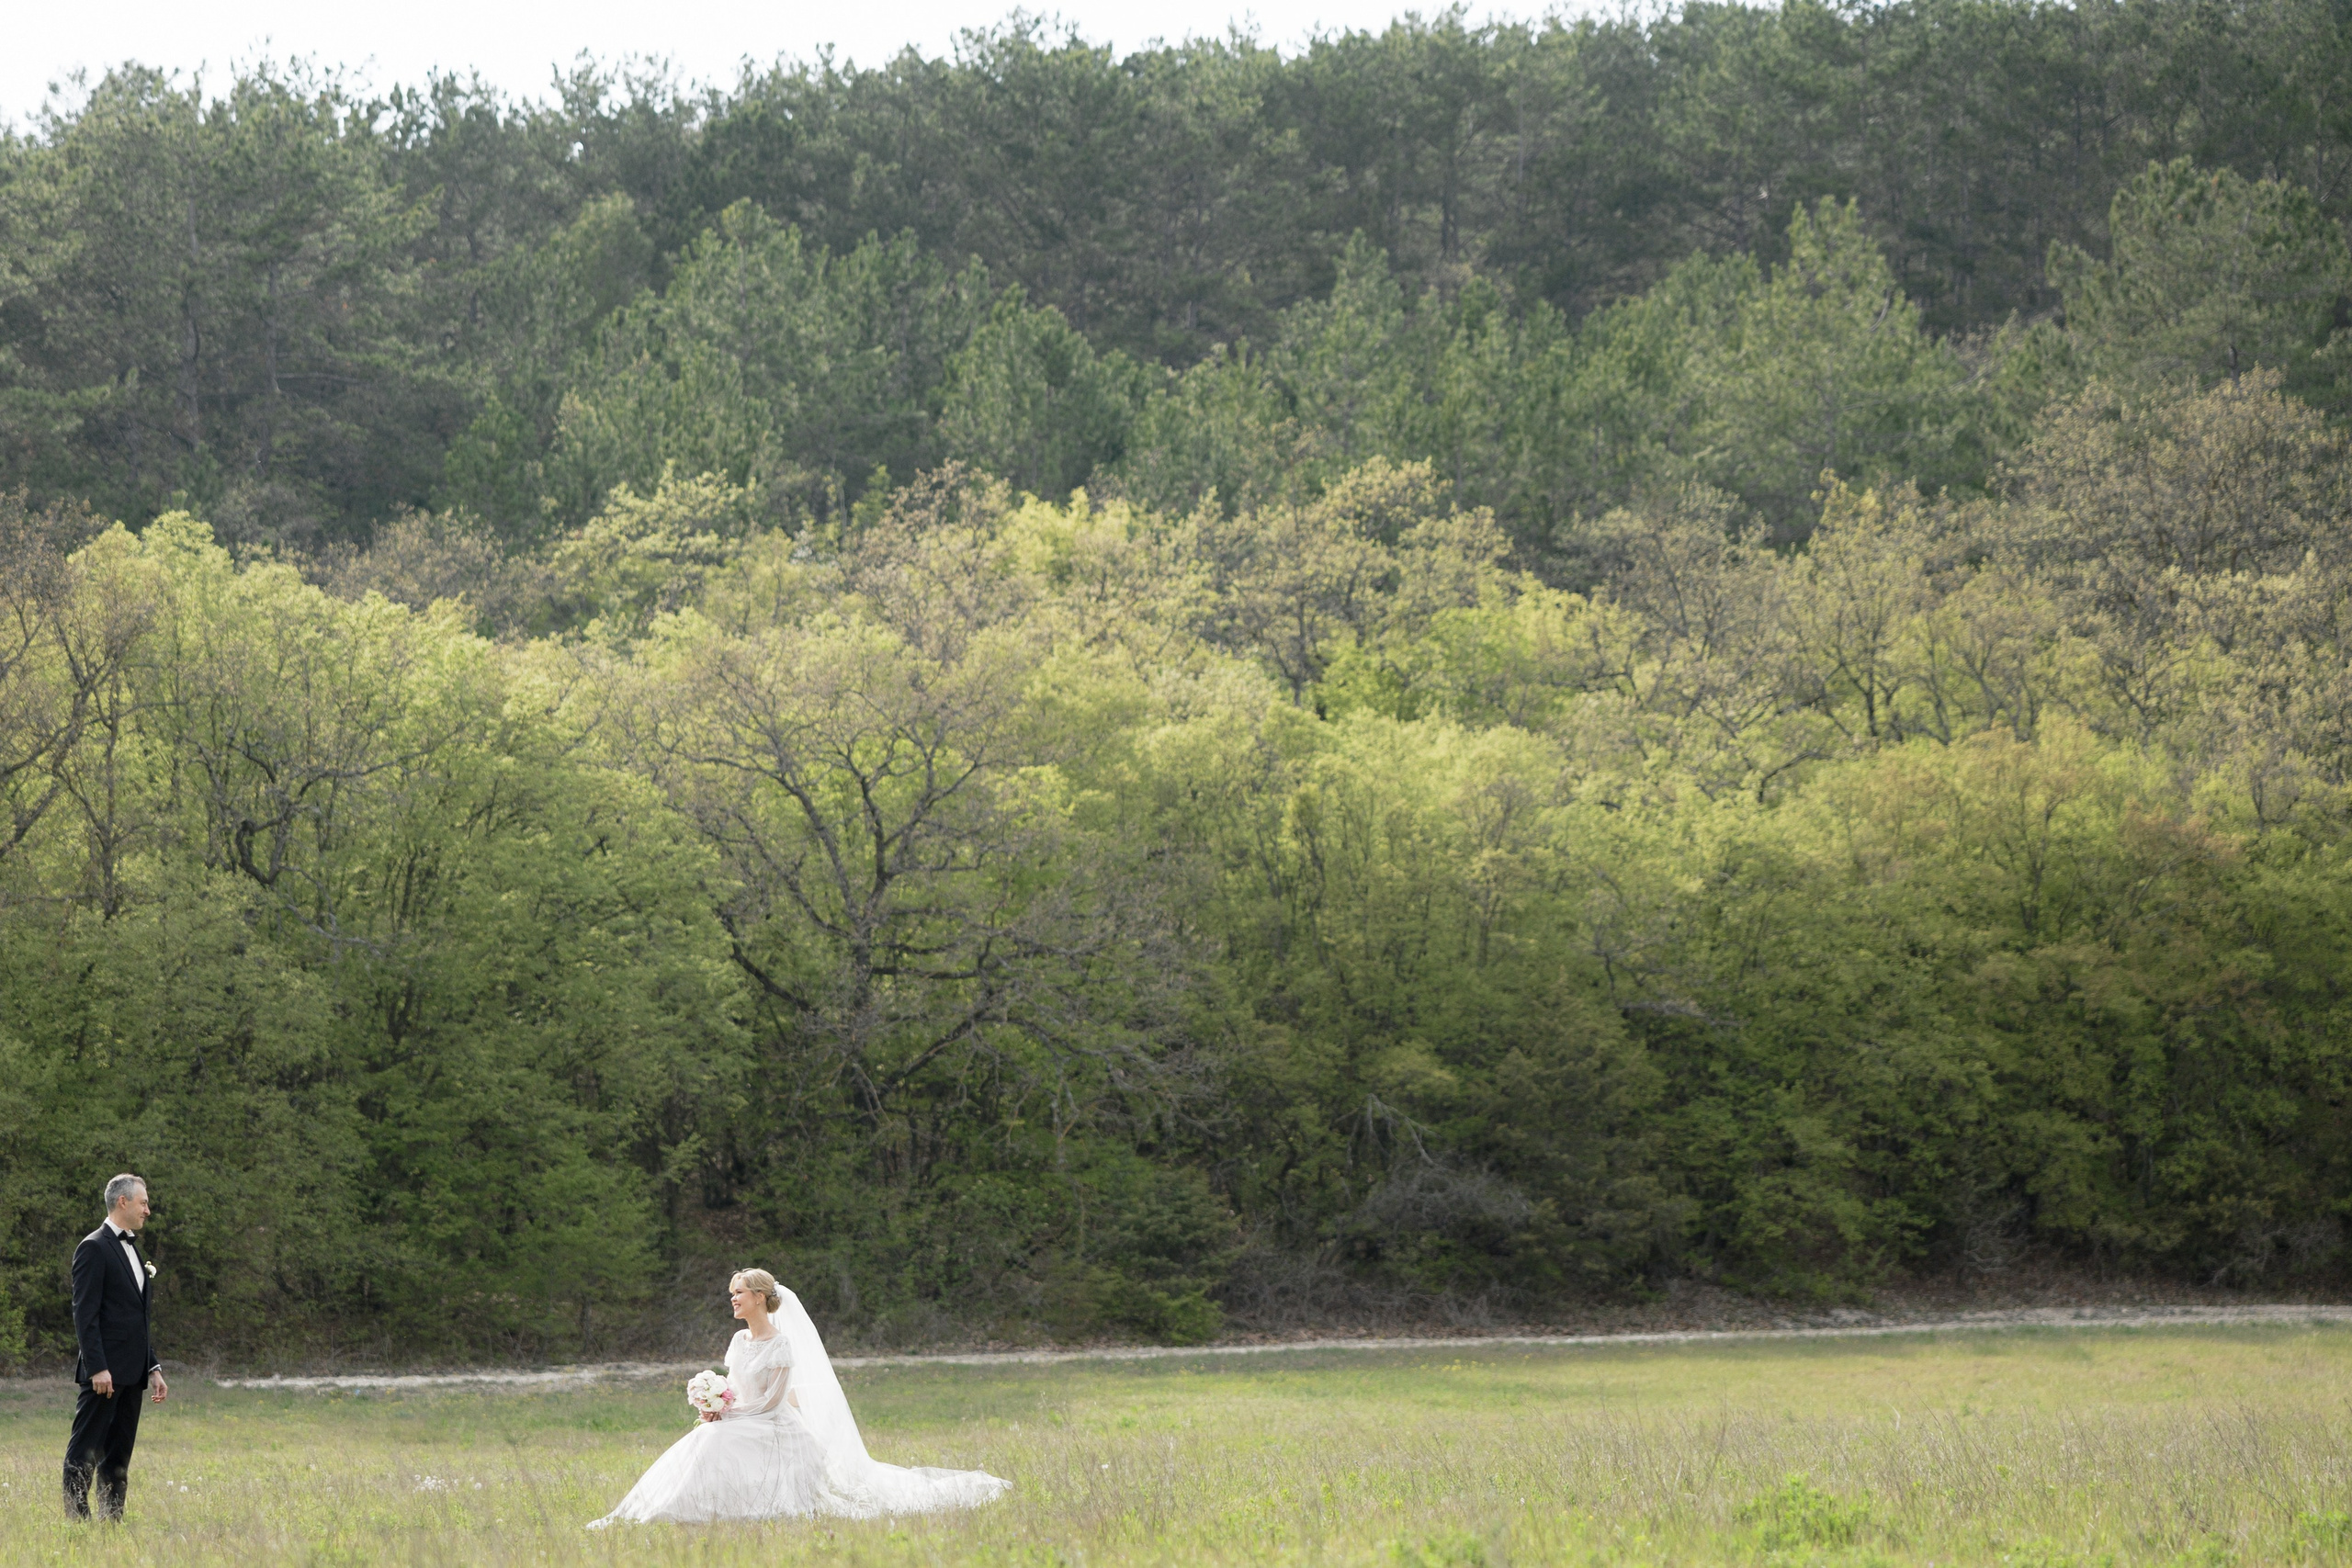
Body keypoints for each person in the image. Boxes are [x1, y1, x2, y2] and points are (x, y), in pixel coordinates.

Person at [590, 1269, 1008, 1526]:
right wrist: (715, 1404)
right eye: (732, 1293)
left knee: (713, 1439)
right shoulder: (737, 1340)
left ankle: (695, 1509)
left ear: (759, 1297)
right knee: (703, 1437)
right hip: (741, 1417)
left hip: (772, 1425)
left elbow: (772, 1402)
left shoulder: (781, 1344)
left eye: (740, 1292)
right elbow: (733, 1385)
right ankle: (650, 1510)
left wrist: (729, 1414)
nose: (733, 1298)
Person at [64, 1174, 167, 1520]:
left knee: (118, 1457)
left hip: (132, 1374)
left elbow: (135, 1317)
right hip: (103, 1375)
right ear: (123, 1202)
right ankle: (77, 1524)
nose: (147, 1210)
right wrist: (97, 1367)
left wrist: (152, 1367)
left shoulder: (134, 1250)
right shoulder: (93, 1247)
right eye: (143, 1203)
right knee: (84, 1453)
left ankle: (112, 1523)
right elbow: (85, 1313)